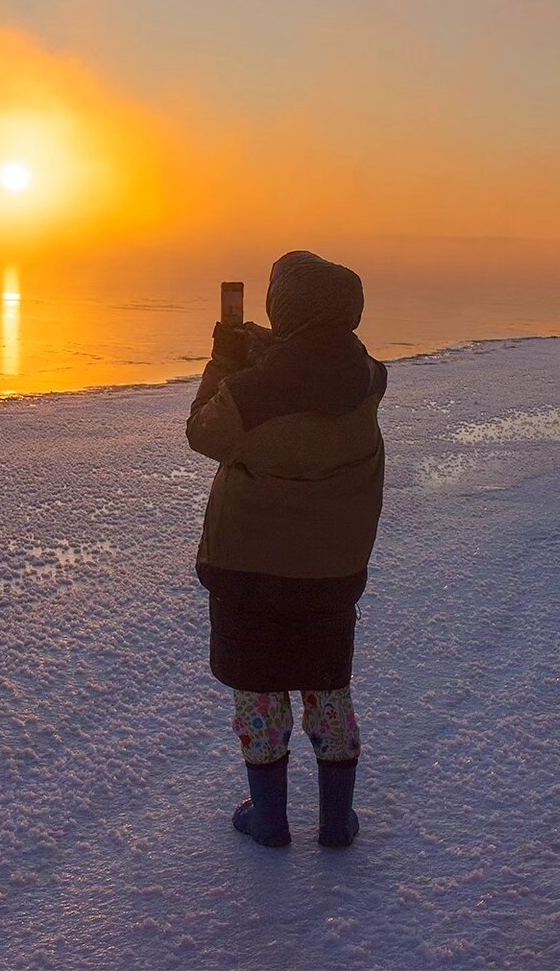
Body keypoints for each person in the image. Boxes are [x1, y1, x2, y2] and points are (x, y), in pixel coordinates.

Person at [186, 250, 387, 848]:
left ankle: (270, 819)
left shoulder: (251, 392)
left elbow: (203, 432)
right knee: (328, 689)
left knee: (261, 690)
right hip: (331, 574)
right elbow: (315, 374)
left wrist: (226, 360)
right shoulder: (369, 378)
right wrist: (271, 349)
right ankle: (336, 821)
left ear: (283, 307)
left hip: (249, 572)